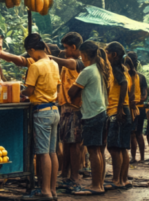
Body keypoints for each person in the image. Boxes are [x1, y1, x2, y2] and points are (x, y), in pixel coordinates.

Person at [3, 34, 59, 200]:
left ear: (32, 50)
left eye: (29, 52)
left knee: (43, 153)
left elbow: (29, 91)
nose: (29, 56)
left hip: (41, 112)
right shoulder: (54, 64)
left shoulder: (36, 66)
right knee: (52, 152)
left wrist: (17, 92)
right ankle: (53, 190)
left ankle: (45, 192)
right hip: (54, 110)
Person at [67, 41, 108, 195]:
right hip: (100, 111)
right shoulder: (98, 68)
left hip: (92, 113)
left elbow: (72, 92)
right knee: (97, 150)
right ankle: (99, 184)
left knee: (93, 151)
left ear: (83, 54)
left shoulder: (88, 70)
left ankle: (96, 186)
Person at [51, 33, 86, 192]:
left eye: (66, 48)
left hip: (75, 108)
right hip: (65, 107)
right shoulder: (67, 64)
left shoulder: (80, 63)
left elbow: (71, 64)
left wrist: (48, 57)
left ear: (74, 47)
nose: (64, 51)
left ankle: (75, 176)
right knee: (66, 143)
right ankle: (65, 173)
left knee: (74, 144)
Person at [104, 42, 132, 188]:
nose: (105, 56)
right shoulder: (123, 69)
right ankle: (123, 179)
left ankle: (117, 180)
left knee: (114, 147)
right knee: (121, 148)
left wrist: (120, 107)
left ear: (113, 55)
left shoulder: (116, 69)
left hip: (117, 111)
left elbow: (124, 85)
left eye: (106, 53)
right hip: (123, 109)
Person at [126, 51, 149, 162]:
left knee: (133, 133)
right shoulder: (140, 76)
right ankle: (139, 157)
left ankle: (135, 157)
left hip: (135, 108)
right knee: (137, 133)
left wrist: (134, 101)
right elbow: (145, 95)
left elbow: (144, 95)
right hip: (137, 107)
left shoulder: (136, 77)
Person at [123, 56, 143, 163]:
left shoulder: (130, 76)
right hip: (132, 107)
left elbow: (131, 94)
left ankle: (133, 157)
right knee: (132, 134)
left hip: (131, 108)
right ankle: (132, 156)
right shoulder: (133, 75)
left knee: (132, 134)